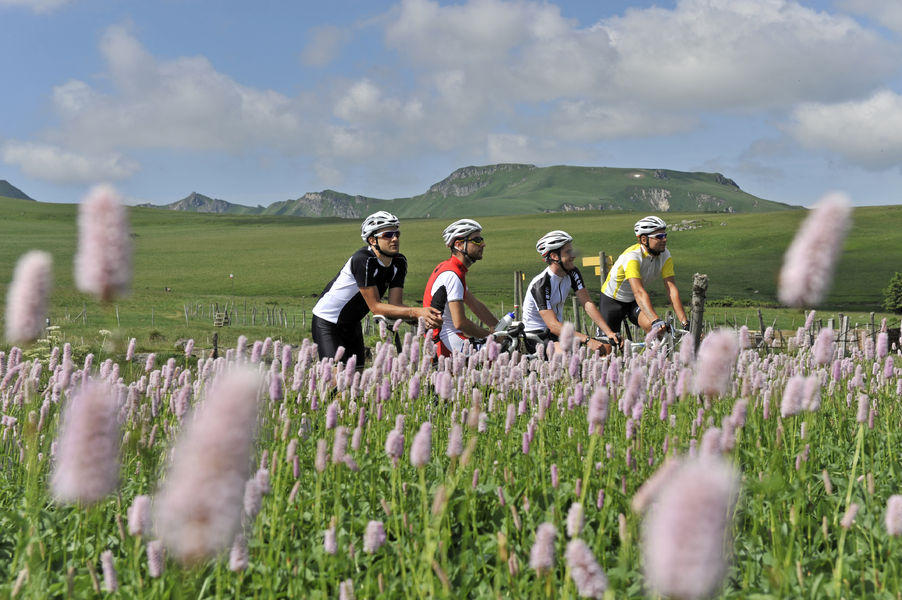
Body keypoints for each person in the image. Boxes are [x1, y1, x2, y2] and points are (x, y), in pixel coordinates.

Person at [311, 211, 442, 365]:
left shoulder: (399, 262)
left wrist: (419, 317)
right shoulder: (363, 260)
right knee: (334, 380)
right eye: (388, 235)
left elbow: (395, 305)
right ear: (372, 240)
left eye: (397, 234)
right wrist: (415, 312)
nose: (395, 239)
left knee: (356, 380)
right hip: (327, 321)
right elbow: (376, 307)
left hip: (352, 323)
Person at [522, 230, 621, 354]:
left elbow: (588, 304)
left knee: (605, 349)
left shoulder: (573, 272)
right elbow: (552, 325)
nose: (573, 255)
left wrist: (609, 332)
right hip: (537, 336)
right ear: (554, 256)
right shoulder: (540, 284)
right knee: (564, 354)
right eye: (568, 252)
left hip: (559, 333)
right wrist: (587, 339)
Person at [599, 216, 689, 340]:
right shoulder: (632, 257)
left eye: (665, 235)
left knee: (656, 331)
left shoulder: (665, 255)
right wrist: (655, 319)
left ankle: (653, 359)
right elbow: (639, 291)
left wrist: (685, 323)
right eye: (659, 237)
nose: (664, 239)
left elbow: (671, 290)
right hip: (612, 301)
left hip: (633, 302)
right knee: (607, 350)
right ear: (643, 239)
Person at [423, 219, 499, 356]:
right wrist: (491, 337)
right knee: (499, 355)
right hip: (446, 341)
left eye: (481, 239)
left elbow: (475, 305)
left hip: (447, 339)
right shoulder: (453, 274)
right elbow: (460, 323)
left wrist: (498, 327)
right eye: (476, 240)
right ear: (458, 245)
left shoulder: (453, 269)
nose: (483, 244)